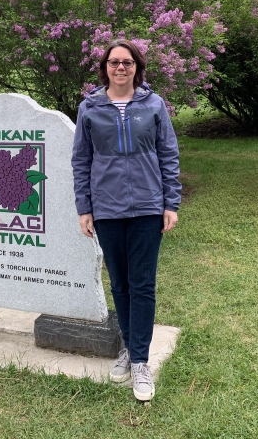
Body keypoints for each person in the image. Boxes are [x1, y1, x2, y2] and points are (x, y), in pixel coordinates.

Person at [72, 39, 181, 401]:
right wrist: (84, 208)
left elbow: (168, 154)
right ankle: (129, 348)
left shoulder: (153, 105)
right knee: (120, 283)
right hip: (107, 208)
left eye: (128, 62)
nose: (121, 68)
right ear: (104, 67)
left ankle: (140, 360)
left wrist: (171, 202)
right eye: (114, 62)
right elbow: (81, 161)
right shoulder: (89, 108)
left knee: (143, 284)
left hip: (149, 207)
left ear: (137, 67)